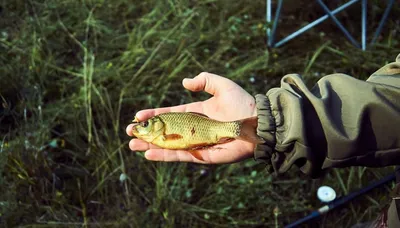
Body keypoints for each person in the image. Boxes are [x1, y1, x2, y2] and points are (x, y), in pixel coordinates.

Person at [126, 54, 400, 227]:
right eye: (144, 125)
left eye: (147, 124)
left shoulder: (166, 133)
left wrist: (272, 122)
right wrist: (270, 121)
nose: (143, 126)